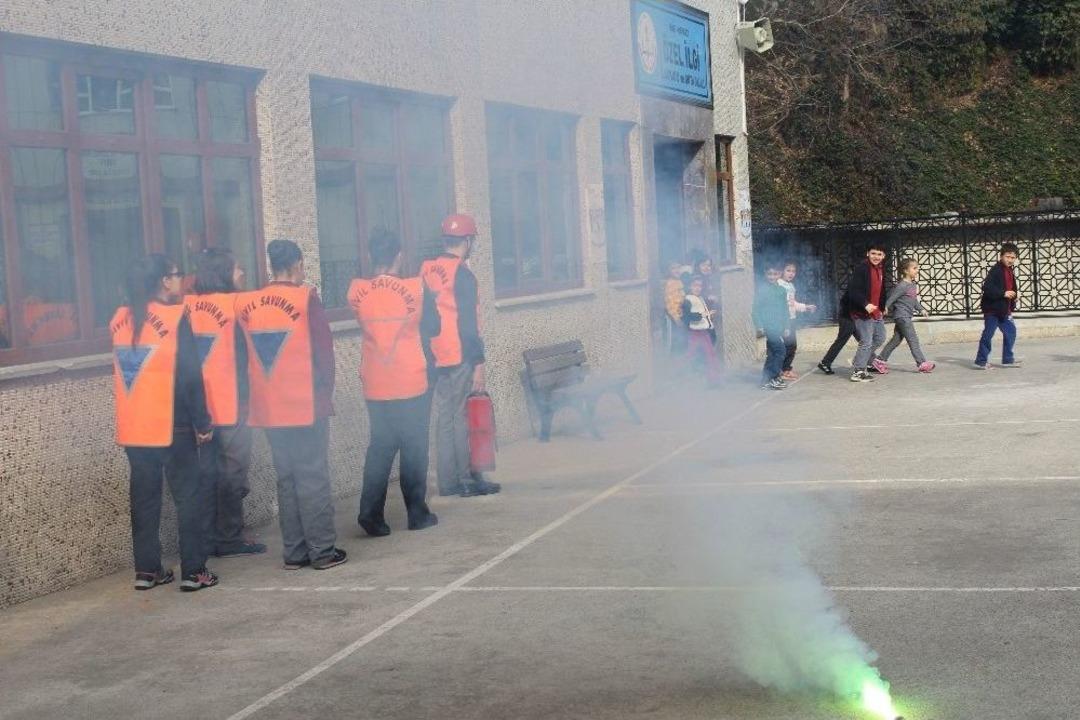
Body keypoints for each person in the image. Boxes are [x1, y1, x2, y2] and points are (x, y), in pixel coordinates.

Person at [237, 239, 347, 570]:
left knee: (286, 477)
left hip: (269, 407)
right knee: (312, 475)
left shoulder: (248, 302)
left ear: (270, 265)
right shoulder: (305, 298)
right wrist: (325, 394)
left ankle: (295, 552)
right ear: (298, 263)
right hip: (305, 404)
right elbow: (324, 353)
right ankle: (323, 550)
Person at [110, 254, 217, 592]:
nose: (179, 281)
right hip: (174, 425)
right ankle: (194, 571)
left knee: (144, 501)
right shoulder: (174, 317)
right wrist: (203, 422)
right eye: (174, 276)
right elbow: (190, 377)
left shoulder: (119, 319)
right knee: (188, 498)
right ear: (161, 282)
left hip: (135, 428)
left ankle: (147, 570)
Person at [348, 230, 440, 536]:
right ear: (399, 256)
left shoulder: (357, 291)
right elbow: (435, 326)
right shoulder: (416, 288)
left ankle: (370, 514)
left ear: (372, 256)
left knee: (380, 448)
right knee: (414, 448)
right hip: (411, 381)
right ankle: (417, 514)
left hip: (375, 381)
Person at [186, 248, 266, 558]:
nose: (243, 274)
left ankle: (207, 536)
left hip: (199, 408)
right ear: (224, 274)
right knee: (234, 473)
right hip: (232, 403)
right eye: (237, 270)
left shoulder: (187, 306)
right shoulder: (236, 305)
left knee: (207, 473)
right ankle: (230, 536)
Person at [421, 213, 501, 497]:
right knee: (459, 417)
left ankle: (448, 481)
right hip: (459, 353)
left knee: (444, 417)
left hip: (434, 354)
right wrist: (479, 363)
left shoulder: (427, 270)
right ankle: (465, 479)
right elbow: (468, 324)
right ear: (467, 241)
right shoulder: (463, 274)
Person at [879, 258, 935, 373]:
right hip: (902, 317)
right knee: (913, 339)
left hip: (905, 316)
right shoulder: (902, 285)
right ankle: (921, 363)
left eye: (917, 268)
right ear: (905, 270)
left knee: (896, 340)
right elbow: (892, 298)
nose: (917, 270)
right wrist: (885, 307)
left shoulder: (912, 285)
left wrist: (921, 309)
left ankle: (879, 360)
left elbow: (913, 300)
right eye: (914, 268)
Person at [843, 244, 889, 383]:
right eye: (873, 253)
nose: (876, 257)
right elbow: (853, 290)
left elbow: (881, 290)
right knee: (866, 341)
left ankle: (858, 360)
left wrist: (882, 306)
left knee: (880, 337)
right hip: (862, 312)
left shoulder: (880, 268)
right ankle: (858, 371)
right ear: (867, 253)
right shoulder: (862, 269)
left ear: (883, 256)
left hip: (876, 311)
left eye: (879, 254)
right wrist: (865, 304)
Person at [974, 242, 1022, 369]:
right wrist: (1004, 293)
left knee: (1011, 332)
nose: (1010, 260)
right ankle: (981, 361)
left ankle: (1007, 359)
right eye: (1007, 257)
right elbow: (987, 287)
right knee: (988, 334)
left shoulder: (1009, 271)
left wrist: (1014, 296)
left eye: (1013, 258)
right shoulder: (996, 270)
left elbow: (1010, 288)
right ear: (1001, 256)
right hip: (992, 310)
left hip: (1004, 310)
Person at [752, 263, 790, 390]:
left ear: (779, 274)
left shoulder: (782, 290)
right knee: (781, 351)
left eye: (774, 274)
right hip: (769, 327)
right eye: (769, 274)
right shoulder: (762, 290)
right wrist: (759, 325)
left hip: (779, 327)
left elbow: (785, 309)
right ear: (765, 274)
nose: (772, 276)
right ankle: (773, 377)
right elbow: (755, 309)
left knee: (773, 354)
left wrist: (786, 326)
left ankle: (765, 380)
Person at [680, 275, 723, 387]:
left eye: (700, 286)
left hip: (704, 331)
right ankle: (678, 377)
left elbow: (703, 312)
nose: (698, 288)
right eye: (695, 285)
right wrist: (702, 315)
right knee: (689, 355)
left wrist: (708, 316)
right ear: (690, 286)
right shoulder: (687, 300)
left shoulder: (700, 298)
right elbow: (686, 317)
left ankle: (714, 380)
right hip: (694, 333)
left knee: (710, 355)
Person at [777, 260, 817, 379]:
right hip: (784, 320)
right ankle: (783, 370)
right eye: (788, 270)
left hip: (791, 318)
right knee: (789, 345)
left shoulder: (790, 285)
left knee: (791, 345)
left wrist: (805, 307)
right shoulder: (779, 284)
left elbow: (792, 303)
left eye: (793, 271)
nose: (791, 273)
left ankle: (784, 369)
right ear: (782, 271)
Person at [817, 292, 856, 376]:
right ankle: (825, 362)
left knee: (865, 341)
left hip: (855, 318)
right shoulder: (855, 285)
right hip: (847, 318)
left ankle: (869, 362)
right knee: (841, 341)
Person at [663, 260, 688, 354]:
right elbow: (670, 304)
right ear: (669, 271)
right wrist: (677, 319)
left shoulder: (678, 281)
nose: (677, 270)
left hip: (681, 315)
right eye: (673, 268)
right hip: (675, 318)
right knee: (677, 342)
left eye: (678, 268)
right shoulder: (670, 284)